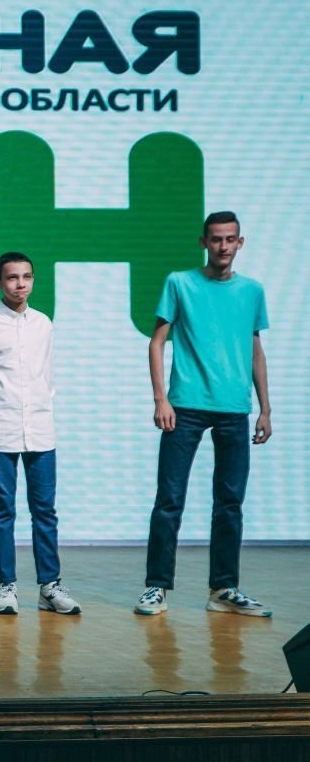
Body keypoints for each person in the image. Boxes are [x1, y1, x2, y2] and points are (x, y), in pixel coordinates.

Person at [136, 212, 273, 618]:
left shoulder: (252, 291)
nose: (223, 246)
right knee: (169, 499)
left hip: (234, 408)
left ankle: (223, 589)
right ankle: (157, 586)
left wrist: (265, 408)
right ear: (204, 242)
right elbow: (156, 342)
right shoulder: (180, 283)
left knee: (230, 502)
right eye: (216, 239)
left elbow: (255, 349)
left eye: (230, 239)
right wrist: (161, 399)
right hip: (185, 406)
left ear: (240, 243)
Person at [0, 252, 80, 617]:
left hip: (41, 430)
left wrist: (42, 407)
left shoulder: (43, 323)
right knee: (3, 510)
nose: (20, 284)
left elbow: (47, 376)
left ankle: (50, 586)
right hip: (0, 428)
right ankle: (7, 586)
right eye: (12, 278)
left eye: (26, 276)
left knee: (45, 510)